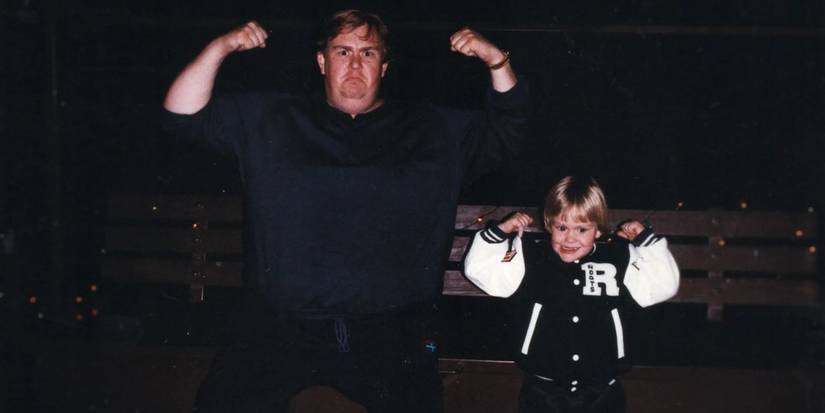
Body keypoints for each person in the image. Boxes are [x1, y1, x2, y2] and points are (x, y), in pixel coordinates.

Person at [162, 9, 529, 413]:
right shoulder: (272, 117)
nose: (355, 63)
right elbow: (181, 114)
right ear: (322, 62)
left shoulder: (433, 129)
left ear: (384, 67)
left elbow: (509, 131)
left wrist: (497, 60)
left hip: (392, 328)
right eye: (342, 51)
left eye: (368, 53)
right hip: (279, 323)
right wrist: (222, 46)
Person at [464, 176, 679, 413]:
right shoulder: (531, 258)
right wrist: (502, 231)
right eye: (562, 227)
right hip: (542, 388)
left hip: (602, 389)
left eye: (582, 229)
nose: (569, 238)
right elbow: (480, 271)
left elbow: (663, 285)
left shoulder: (618, 258)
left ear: (597, 230)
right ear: (549, 225)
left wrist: (645, 242)